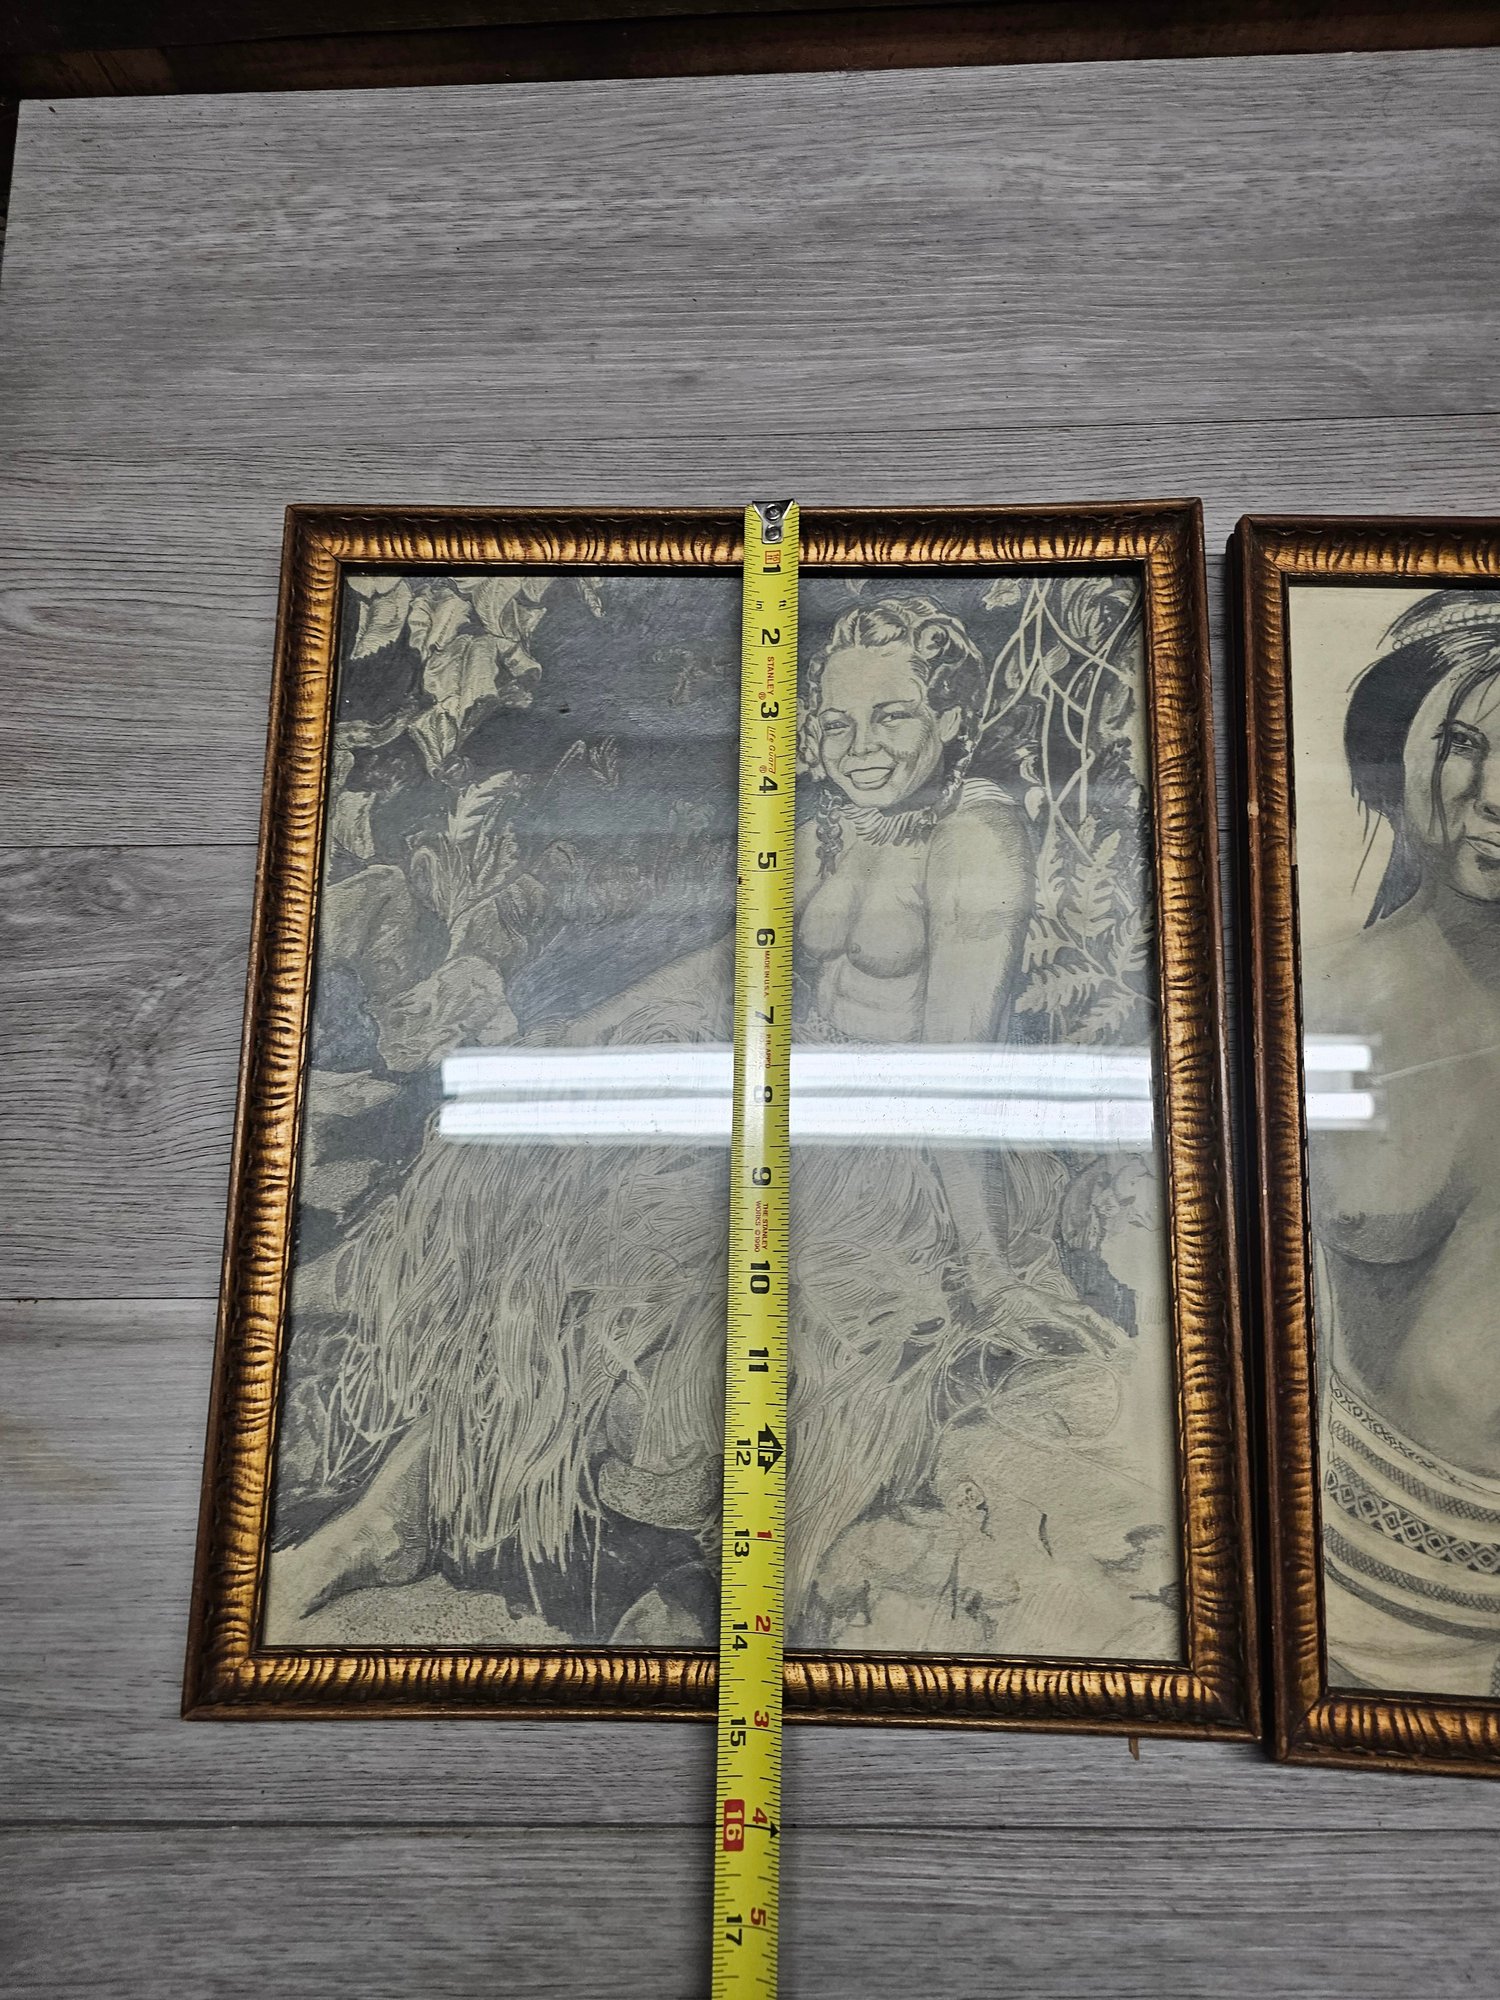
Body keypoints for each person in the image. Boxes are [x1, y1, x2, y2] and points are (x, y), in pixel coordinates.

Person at [266, 596, 1123, 1646]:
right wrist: (585, 1029)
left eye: (893, 717)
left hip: (902, 1151)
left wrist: (987, 1271)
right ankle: (385, 1479)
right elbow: (736, 960)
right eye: (838, 723)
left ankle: (395, 1524)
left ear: (950, 720)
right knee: (551, 1164)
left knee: (649, 1252)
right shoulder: (834, 818)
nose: (860, 746)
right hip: (797, 1091)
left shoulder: (976, 839)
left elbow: (951, 1077)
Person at [1307, 591, 1500, 1697]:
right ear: (1396, 753)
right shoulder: (1318, 1002)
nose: (1496, 794)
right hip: (1359, 1599)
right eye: (1465, 743)